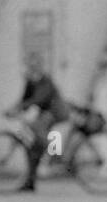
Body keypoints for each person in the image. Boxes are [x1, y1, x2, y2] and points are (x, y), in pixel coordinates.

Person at [5, 51, 70, 191]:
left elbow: (39, 99)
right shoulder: (30, 82)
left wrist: (20, 108)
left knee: (37, 127)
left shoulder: (46, 81)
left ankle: (57, 156)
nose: (31, 68)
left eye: (34, 65)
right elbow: (24, 100)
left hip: (55, 111)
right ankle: (30, 182)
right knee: (33, 147)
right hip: (44, 113)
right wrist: (13, 109)